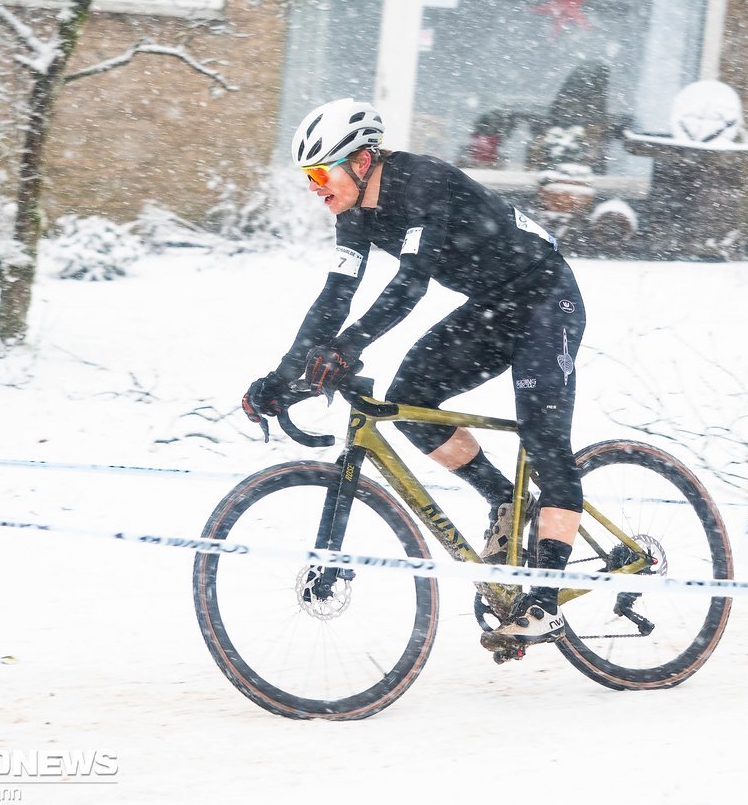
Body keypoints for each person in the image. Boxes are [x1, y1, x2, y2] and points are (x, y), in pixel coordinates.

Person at [242, 98, 587, 648]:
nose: (314, 187)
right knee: (412, 402)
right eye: (306, 176)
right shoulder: (353, 216)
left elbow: (410, 286)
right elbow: (336, 296)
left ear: (360, 160)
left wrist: (348, 349)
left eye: (318, 172)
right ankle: (505, 499)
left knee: (545, 440)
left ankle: (544, 600)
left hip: (545, 298)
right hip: (491, 307)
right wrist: (285, 377)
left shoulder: (420, 181)